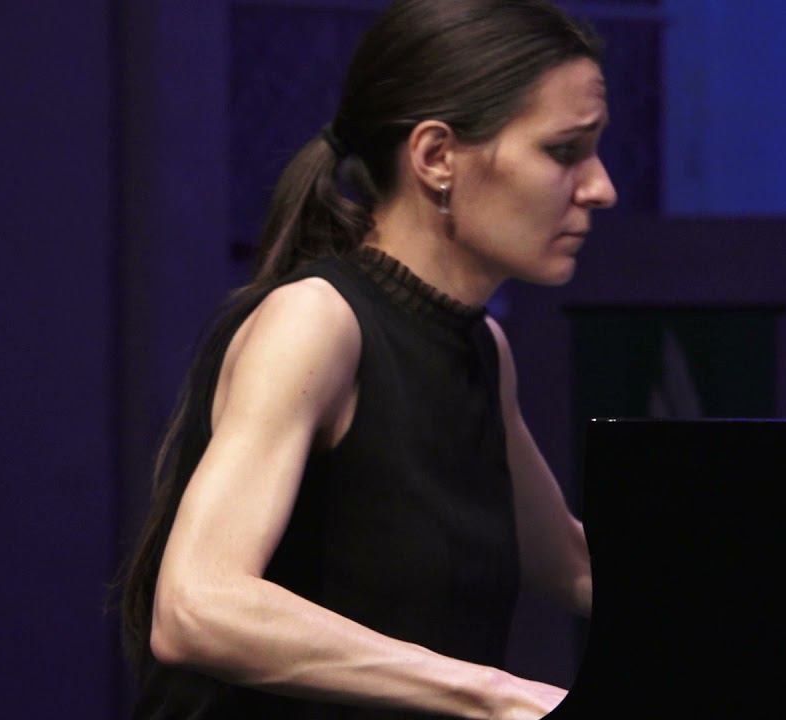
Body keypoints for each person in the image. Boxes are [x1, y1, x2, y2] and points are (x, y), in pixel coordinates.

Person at [118, 0, 617, 717]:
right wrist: (497, 695)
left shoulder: (483, 346)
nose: (602, 188)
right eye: (565, 151)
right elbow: (196, 606)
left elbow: (571, 564)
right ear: (436, 157)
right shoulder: (316, 322)